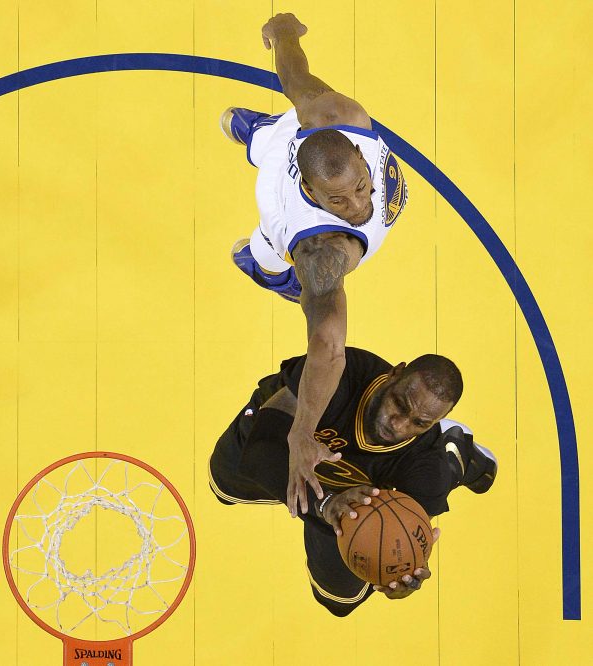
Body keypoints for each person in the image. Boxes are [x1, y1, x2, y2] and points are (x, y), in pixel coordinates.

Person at [219, 12, 411, 520]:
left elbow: (294, 78)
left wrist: (283, 33)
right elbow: (327, 345)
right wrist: (301, 432)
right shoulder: (320, 251)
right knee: (268, 263)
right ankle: (260, 264)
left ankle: (257, 135)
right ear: (312, 194)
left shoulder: (337, 115)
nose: (359, 206)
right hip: (279, 219)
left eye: (361, 186)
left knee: (276, 135)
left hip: (292, 139)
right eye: (340, 201)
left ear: (360, 157)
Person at [208, 347, 497, 615]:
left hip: (353, 506)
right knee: (224, 484)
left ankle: (454, 456)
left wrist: (401, 572)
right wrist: (326, 503)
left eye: (419, 423)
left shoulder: (423, 461)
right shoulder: (337, 373)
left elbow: (409, 534)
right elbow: (260, 453)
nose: (398, 424)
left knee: (337, 600)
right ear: (394, 374)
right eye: (399, 403)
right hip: (282, 445)